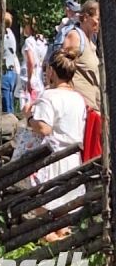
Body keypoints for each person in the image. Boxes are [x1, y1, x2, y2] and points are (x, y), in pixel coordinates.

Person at [27, 49, 87, 213]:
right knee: (65, 213)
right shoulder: (78, 98)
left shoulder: (49, 96)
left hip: (53, 159)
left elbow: (44, 128)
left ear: (51, 71)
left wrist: (29, 119)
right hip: (72, 159)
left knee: (44, 212)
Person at [0, 9, 19, 115]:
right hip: (11, 73)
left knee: (6, 106)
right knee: (8, 103)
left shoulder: (3, 36)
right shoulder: (10, 33)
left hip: (5, 73)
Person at [22, 16, 46, 112]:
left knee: (27, 106)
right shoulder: (43, 40)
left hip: (30, 75)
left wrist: (28, 79)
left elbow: (30, 61)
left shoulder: (29, 41)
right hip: (40, 75)